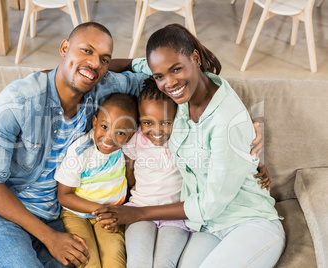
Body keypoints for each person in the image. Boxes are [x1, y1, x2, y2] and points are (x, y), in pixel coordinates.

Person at [0, 22, 149, 268]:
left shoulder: (105, 89)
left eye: (104, 59)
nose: (94, 64)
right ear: (64, 47)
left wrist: (201, 74)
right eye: (86, 51)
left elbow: (155, 79)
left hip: (52, 214)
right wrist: (49, 237)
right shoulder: (17, 102)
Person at [94, 23, 285, 267]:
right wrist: (69, 71)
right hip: (206, 227)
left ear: (195, 58)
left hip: (250, 223)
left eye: (176, 69)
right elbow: (134, 64)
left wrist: (139, 213)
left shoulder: (224, 121)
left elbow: (210, 204)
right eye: (160, 76)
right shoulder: (179, 100)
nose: (169, 83)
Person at [54, 93, 138, 268]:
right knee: (87, 258)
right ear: (95, 123)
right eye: (105, 127)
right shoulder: (80, 151)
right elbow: (64, 196)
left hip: (110, 215)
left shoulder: (127, 150)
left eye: (120, 132)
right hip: (76, 214)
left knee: (115, 257)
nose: (109, 137)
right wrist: (101, 209)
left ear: (129, 136)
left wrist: (119, 213)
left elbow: (131, 182)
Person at [122, 77, 191, 267]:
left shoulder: (184, 139)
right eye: (147, 123)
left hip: (175, 216)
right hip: (140, 208)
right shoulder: (135, 140)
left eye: (166, 123)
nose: (157, 130)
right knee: (138, 261)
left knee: (164, 263)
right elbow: (129, 170)